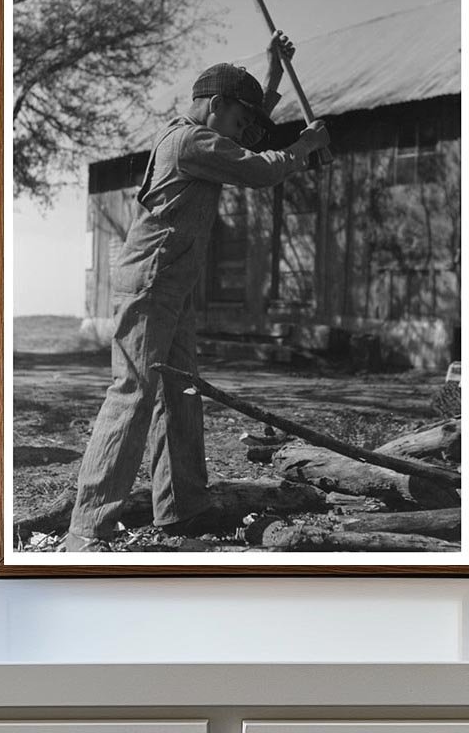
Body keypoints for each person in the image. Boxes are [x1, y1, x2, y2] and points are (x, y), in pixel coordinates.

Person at [61, 31, 331, 552]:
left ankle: (182, 508)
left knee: (179, 394)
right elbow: (255, 165)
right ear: (215, 105)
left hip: (174, 283)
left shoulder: (204, 137)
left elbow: (245, 141)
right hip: (152, 280)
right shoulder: (189, 141)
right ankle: (86, 528)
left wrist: (273, 74)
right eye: (236, 119)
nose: (243, 133)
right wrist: (303, 146)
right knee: (134, 393)